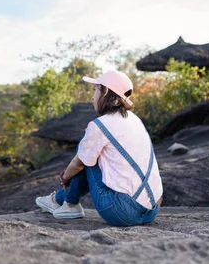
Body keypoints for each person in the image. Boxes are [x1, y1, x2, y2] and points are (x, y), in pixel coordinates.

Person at [35, 70, 163, 226]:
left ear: (106, 91)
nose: (92, 96)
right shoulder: (135, 120)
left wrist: (65, 178)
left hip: (120, 212)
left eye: (95, 89)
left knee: (86, 156)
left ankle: (69, 204)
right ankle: (60, 200)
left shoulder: (100, 125)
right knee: (91, 152)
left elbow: (79, 164)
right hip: (151, 211)